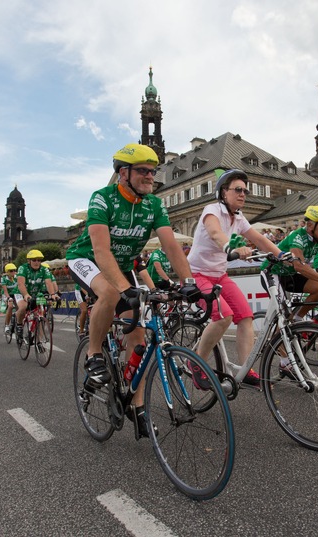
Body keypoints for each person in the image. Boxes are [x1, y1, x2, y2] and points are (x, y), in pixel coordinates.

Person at [66, 142, 201, 438]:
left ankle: (137, 407)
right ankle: (94, 354)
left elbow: (170, 245)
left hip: (123, 263)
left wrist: (189, 282)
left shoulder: (153, 204)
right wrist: (127, 289)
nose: (150, 176)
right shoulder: (103, 198)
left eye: (152, 172)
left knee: (138, 335)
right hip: (87, 258)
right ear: (122, 173)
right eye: (143, 171)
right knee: (111, 293)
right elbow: (101, 250)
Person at [188, 168, 285, 387]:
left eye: (245, 191)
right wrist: (230, 246)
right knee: (223, 317)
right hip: (197, 275)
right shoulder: (211, 210)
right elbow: (214, 233)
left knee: (246, 316)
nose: (243, 194)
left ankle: (245, 368)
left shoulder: (239, 218)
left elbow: (259, 239)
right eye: (237, 189)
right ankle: (196, 363)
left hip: (219, 275)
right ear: (223, 192)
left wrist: (284, 256)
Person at [15, 250, 59, 338]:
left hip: (35, 294)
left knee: (40, 314)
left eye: (39, 260)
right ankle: (19, 324)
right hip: (21, 292)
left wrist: (53, 294)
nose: (37, 262)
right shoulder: (23, 268)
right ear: (29, 261)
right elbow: (21, 284)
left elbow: (48, 283)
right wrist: (26, 294)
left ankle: (39, 341)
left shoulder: (44, 269)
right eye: (34, 260)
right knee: (23, 307)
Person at [1, 263, 18, 333]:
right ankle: (7, 325)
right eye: (11, 271)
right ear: (7, 272)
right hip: (6, 294)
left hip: (15, 294)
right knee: (10, 306)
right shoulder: (4, 279)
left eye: (14, 270)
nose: (13, 272)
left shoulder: (17, 277)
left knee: (21, 307)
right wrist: (9, 298)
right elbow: (5, 291)